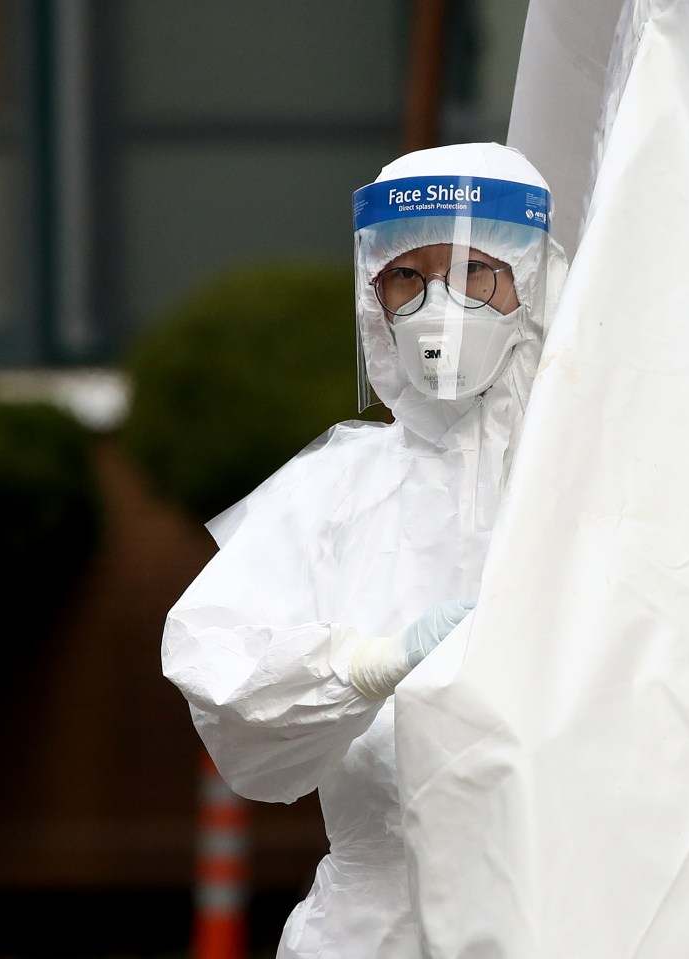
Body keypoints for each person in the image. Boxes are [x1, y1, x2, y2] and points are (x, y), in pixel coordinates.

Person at [162, 142, 568, 959]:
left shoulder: (593, 472)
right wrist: (367, 664)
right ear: (373, 298)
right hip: (375, 926)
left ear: (534, 284)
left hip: (570, 913)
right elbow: (219, 675)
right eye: (407, 278)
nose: (435, 307)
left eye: (473, 271)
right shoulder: (339, 490)